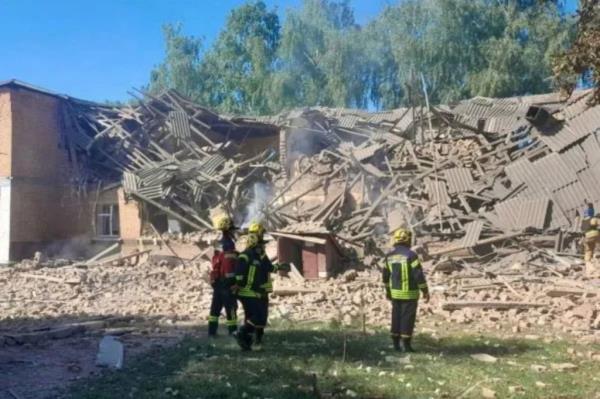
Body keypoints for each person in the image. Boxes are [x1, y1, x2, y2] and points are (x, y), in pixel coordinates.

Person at [382, 228, 430, 353]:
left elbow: (385, 276)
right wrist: (425, 290)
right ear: (408, 240)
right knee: (407, 318)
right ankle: (407, 345)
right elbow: (418, 275)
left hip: (395, 294)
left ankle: (396, 344)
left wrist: (388, 291)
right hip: (410, 294)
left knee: (396, 317)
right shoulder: (411, 255)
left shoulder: (389, 256)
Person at [247, 221, 289, 348]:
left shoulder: (249, 251)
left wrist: (278, 267)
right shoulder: (258, 252)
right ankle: (250, 336)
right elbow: (267, 267)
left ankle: (251, 338)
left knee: (255, 314)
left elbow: (266, 267)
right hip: (260, 288)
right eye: (261, 233)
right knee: (260, 315)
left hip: (254, 288)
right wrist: (280, 267)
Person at [232, 232, 269, 351]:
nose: (261, 247)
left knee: (252, 317)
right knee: (258, 317)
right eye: (259, 245)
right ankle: (240, 332)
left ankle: (245, 342)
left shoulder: (255, 256)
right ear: (253, 245)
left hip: (252, 291)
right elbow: (239, 273)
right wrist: (238, 284)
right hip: (246, 292)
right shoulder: (245, 256)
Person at [207, 215, 238, 337]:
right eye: (232, 229)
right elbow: (230, 265)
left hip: (218, 282)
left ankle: (212, 333)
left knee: (215, 309)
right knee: (231, 310)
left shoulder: (218, 244)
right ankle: (233, 332)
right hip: (228, 283)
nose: (233, 232)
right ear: (228, 230)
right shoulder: (229, 244)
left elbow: (216, 264)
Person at [581, 203, 600, 275]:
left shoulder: (583, 221)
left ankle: (588, 266)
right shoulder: (593, 219)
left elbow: (582, 230)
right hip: (595, 235)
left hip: (587, 237)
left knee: (588, 251)